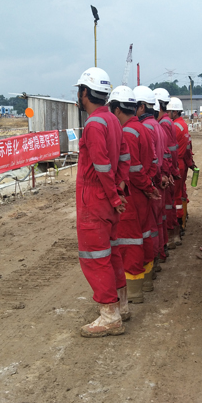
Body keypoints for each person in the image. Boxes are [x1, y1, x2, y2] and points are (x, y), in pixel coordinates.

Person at [74, 67, 128, 338]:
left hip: (95, 200)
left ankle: (109, 315)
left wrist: (114, 194)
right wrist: (120, 186)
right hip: (107, 198)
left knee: (96, 257)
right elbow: (124, 156)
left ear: (85, 92)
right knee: (112, 253)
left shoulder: (95, 124)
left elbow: (101, 165)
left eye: (79, 91)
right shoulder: (113, 120)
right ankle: (121, 305)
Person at [109, 86, 160, 306]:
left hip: (132, 192)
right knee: (144, 235)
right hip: (142, 192)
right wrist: (149, 186)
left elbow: (132, 168)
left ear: (117, 109)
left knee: (130, 241)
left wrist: (146, 186)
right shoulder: (142, 128)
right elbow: (151, 162)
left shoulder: (128, 132)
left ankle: (134, 290)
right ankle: (146, 280)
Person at [134, 85, 170, 285]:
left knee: (149, 228)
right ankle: (155, 262)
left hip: (150, 182)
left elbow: (149, 160)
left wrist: (148, 183)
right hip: (156, 179)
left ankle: (150, 268)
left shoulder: (146, 127)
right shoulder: (156, 125)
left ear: (141, 107)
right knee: (155, 225)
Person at [154, 88, 181, 248]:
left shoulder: (163, 123)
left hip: (167, 169)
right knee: (170, 204)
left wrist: (168, 172)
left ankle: (171, 236)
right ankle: (173, 235)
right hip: (171, 168)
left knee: (167, 207)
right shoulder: (167, 122)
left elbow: (166, 151)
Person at [167, 97, 196, 233]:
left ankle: (178, 223)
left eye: (168, 111)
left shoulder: (174, 127)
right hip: (182, 162)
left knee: (175, 196)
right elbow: (188, 146)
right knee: (181, 192)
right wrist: (190, 162)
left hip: (176, 162)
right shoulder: (183, 125)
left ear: (174, 112)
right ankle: (183, 219)